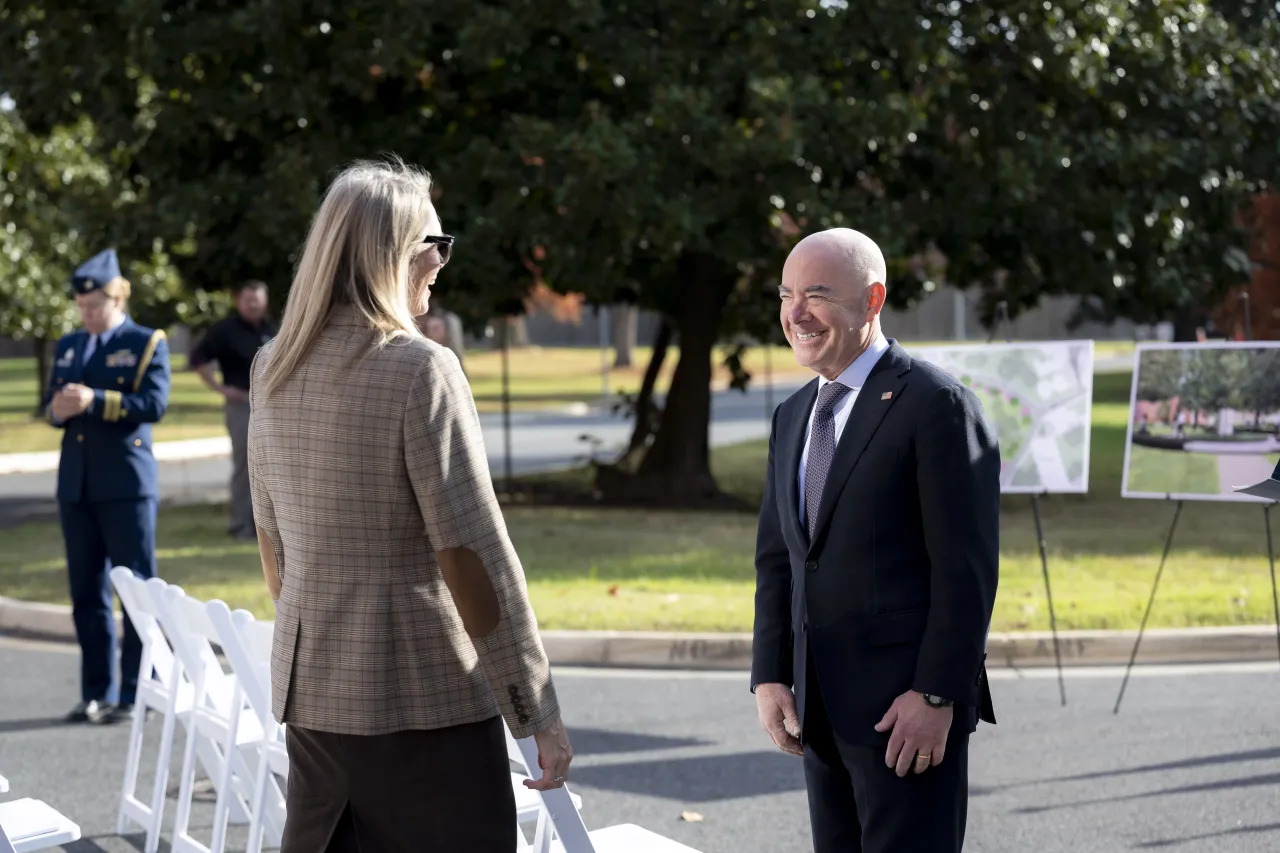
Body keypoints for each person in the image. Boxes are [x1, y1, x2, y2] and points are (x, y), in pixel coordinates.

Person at [247, 158, 571, 852]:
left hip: (314, 698)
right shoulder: (420, 368)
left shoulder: (272, 365)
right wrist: (534, 708)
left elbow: (272, 545)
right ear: (392, 252)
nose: (441, 261)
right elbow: (472, 552)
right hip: (424, 704)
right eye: (436, 243)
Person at [750, 228, 1000, 852]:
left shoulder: (934, 404)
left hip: (905, 718)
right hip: (820, 716)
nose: (795, 312)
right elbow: (779, 560)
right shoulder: (791, 416)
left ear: (873, 299)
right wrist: (771, 674)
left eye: (816, 294)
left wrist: (937, 693)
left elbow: (965, 570)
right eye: (785, 293)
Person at [43, 247, 171, 725]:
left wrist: (95, 399)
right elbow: (50, 406)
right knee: (86, 593)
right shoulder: (71, 344)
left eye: (95, 307)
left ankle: (138, 690)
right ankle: (96, 690)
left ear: (117, 297)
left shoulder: (146, 342)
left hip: (125, 483)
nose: (87, 315)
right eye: (82, 308)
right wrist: (58, 409)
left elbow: (153, 404)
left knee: (135, 590)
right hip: (76, 485)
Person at [189, 279, 277, 539]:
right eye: (248, 299)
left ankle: (267, 528)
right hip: (241, 406)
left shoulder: (272, 329)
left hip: (269, 405)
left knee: (269, 466)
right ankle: (241, 525)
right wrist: (220, 389)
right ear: (239, 301)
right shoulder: (225, 330)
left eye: (257, 300)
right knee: (245, 466)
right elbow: (198, 359)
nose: (253, 305)